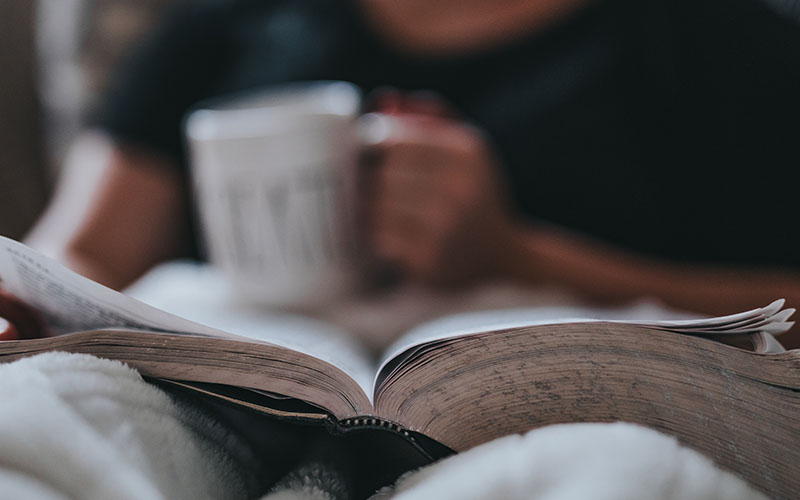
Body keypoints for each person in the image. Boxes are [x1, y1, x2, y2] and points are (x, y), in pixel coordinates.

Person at [3, 0, 800, 347]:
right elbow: (80, 252)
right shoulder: (221, 24)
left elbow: (783, 311)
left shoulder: (711, 40)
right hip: (226, 407)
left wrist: (514, 256)